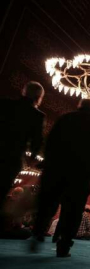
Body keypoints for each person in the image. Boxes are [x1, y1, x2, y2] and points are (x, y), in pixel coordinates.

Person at [32, 99, 90, 257]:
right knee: (74, 208)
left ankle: (39, 231)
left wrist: (48, 159)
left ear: (79, 106)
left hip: (57, 166)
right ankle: (64, 245)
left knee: (49, 200)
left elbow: (51, 140)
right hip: (81, 171)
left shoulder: (66, 118)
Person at [0, 81, 45, 212]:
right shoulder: (37, 115)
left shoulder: (4, 103)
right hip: (11, 158)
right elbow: (37, 141)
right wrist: (32, 159)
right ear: (39, 98)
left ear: (23, 91)